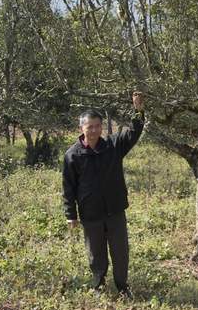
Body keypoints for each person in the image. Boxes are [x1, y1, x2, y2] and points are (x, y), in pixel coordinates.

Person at [62, 92, 145, 298]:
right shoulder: (73, 155)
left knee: (120, 252)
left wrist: (139, 111)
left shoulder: (113, 146)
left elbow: (134, 133)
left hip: (115, 210)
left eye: (98, 126)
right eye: (90, 126)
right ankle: (98, 284)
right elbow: (68, 187)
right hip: (91, 213)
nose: (94, 130)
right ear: (81, 128)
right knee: (96, 253)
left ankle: (123, 287)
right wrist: (71, 214)